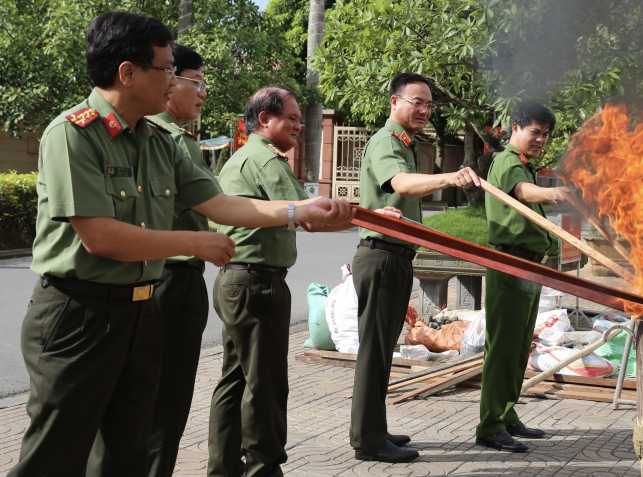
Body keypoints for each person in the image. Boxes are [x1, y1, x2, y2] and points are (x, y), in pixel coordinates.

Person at [7, 13, 353, 477]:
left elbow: (222, 204)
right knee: (55, 454)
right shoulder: (73, 134)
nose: (174, 82)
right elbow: (101, 236)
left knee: (127, 453)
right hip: (78, 314)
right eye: (166, 70)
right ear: (127, 73)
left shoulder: (157, 141)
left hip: (140, 314)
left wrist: (300, 211)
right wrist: (194, 241)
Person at [206, 87, 401, 477]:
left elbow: (309, 219)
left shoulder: (244, 157)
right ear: (265, 120)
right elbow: (312, 218)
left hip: (238, 281)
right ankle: (263, 469)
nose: (299, 125)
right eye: (292, 118)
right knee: (265, 385)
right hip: (256, 285)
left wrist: (359, 216)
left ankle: (224, 467)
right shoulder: (266, 160)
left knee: (235, 381)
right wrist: (371, 218)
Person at [349, 72, 481, 463]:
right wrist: (451, 176)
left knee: (385, 349)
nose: (424, 110)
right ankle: (367, 441)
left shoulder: (405, 144)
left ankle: (375, 428)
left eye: (428, 104)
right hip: (381, 256)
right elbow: (402, 185)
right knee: (374, 351)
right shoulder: (386, 142)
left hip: (397, 257)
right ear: (394, 102)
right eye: (416, 102)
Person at [476, 100, 569, 452]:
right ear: (515, 128)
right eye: (535, 132)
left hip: (528, 266)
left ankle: (507, 413)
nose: (540, 139)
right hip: (509, 265)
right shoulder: (508, 162)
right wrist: (552, 192)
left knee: (518, 346)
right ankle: (489, 425)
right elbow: (522, 193)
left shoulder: (525, 164)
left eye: (545, 135)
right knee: (502, 347)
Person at [143, 43, 212, 477]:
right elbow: (217, 204)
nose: (202, 92)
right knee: (161, 404)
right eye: (195, 81)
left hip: (171, 277)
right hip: (169, 277)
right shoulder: (163, 137)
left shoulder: (176, 138)